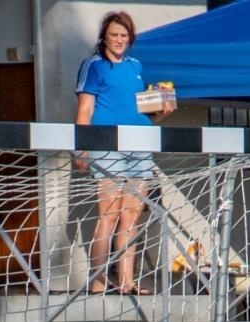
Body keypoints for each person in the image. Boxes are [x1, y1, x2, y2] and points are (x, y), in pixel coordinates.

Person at [73, 10, 175, 296]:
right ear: (104, 37)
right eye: (114, 35)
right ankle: (98, 280)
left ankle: (127, 281)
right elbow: (85, 109)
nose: (119, 40)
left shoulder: (136, 66)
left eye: (124, 35)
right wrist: (81, 145)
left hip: (139, 143)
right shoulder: (93, 65)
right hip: (106, 144)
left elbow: (143, 113)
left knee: (131, 215)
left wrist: (162, 110)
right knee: (109, 213)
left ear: (130, 39)